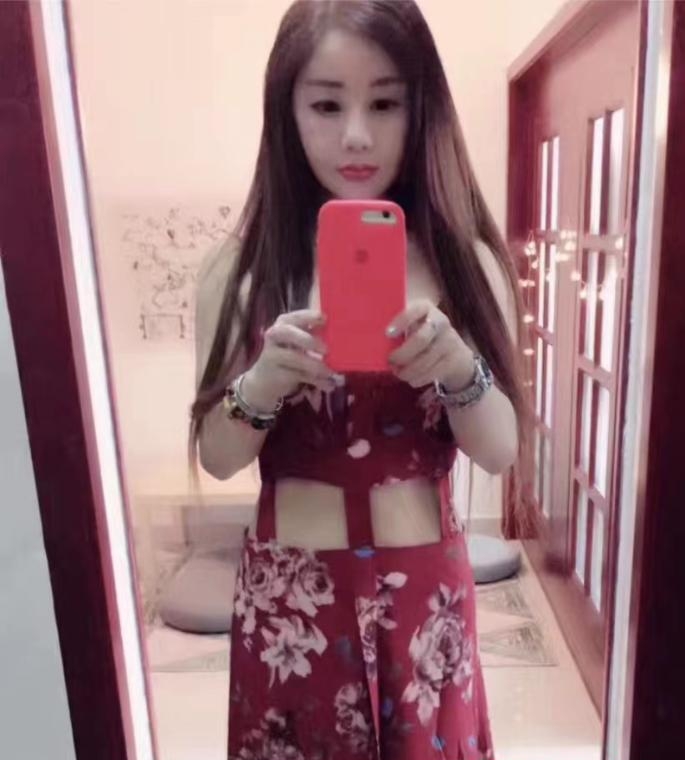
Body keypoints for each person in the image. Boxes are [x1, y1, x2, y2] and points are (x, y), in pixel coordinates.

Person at [190, 2, 535, 758]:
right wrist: (262, 384)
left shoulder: (468, 265)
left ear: (422, 110)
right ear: (286, 114)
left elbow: (500, 450)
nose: (355, 134)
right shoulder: (240, 274)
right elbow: (217, 457)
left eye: (384, 104)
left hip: (426, 598)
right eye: (325, 105)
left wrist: (459, 371)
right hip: (291, 599)